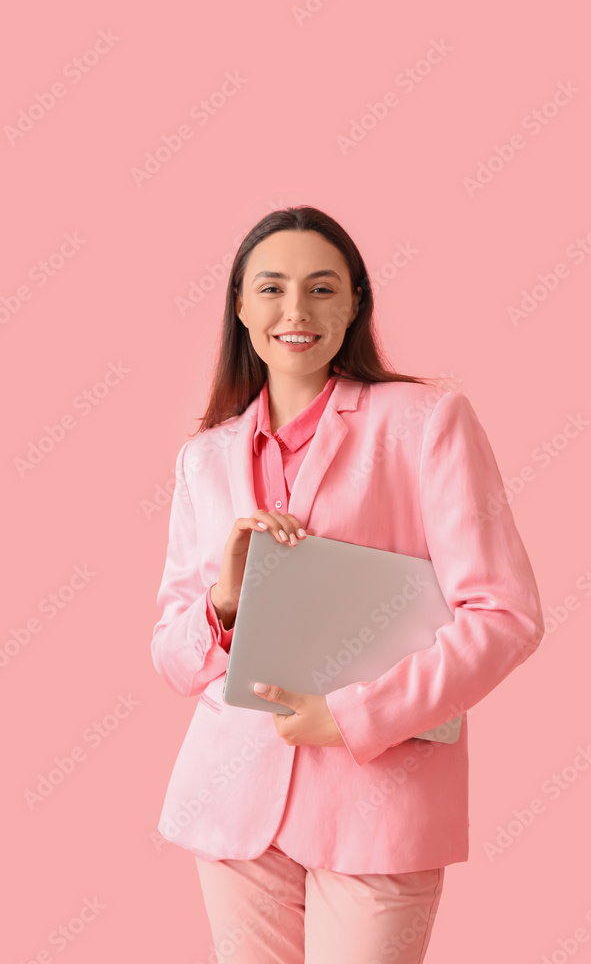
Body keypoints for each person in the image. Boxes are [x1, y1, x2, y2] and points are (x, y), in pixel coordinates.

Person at [150, 205, 544, 963]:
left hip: (382, 803)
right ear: (239, 305)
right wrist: (225, 600)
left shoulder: (426, 422)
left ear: (355, 303)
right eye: (270, 288)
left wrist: (354, 716)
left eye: (321, 288)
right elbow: (173, 659)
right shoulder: (204, 458)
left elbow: (503, 614)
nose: (295, 311)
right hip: (229, 807)